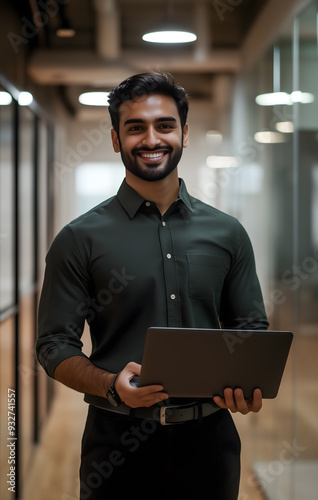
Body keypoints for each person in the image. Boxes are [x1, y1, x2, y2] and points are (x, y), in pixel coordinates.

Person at [36, 71, 269, 500]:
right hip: (115, 445)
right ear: (114, 139)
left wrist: (246, 382)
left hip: (210, 444)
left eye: (164, 125)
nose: (151, 138)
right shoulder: (79, 238)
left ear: (184, 132)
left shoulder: (227, 233)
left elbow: (250, 328)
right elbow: (53, 346)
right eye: (135, 127)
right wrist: (109, 385)